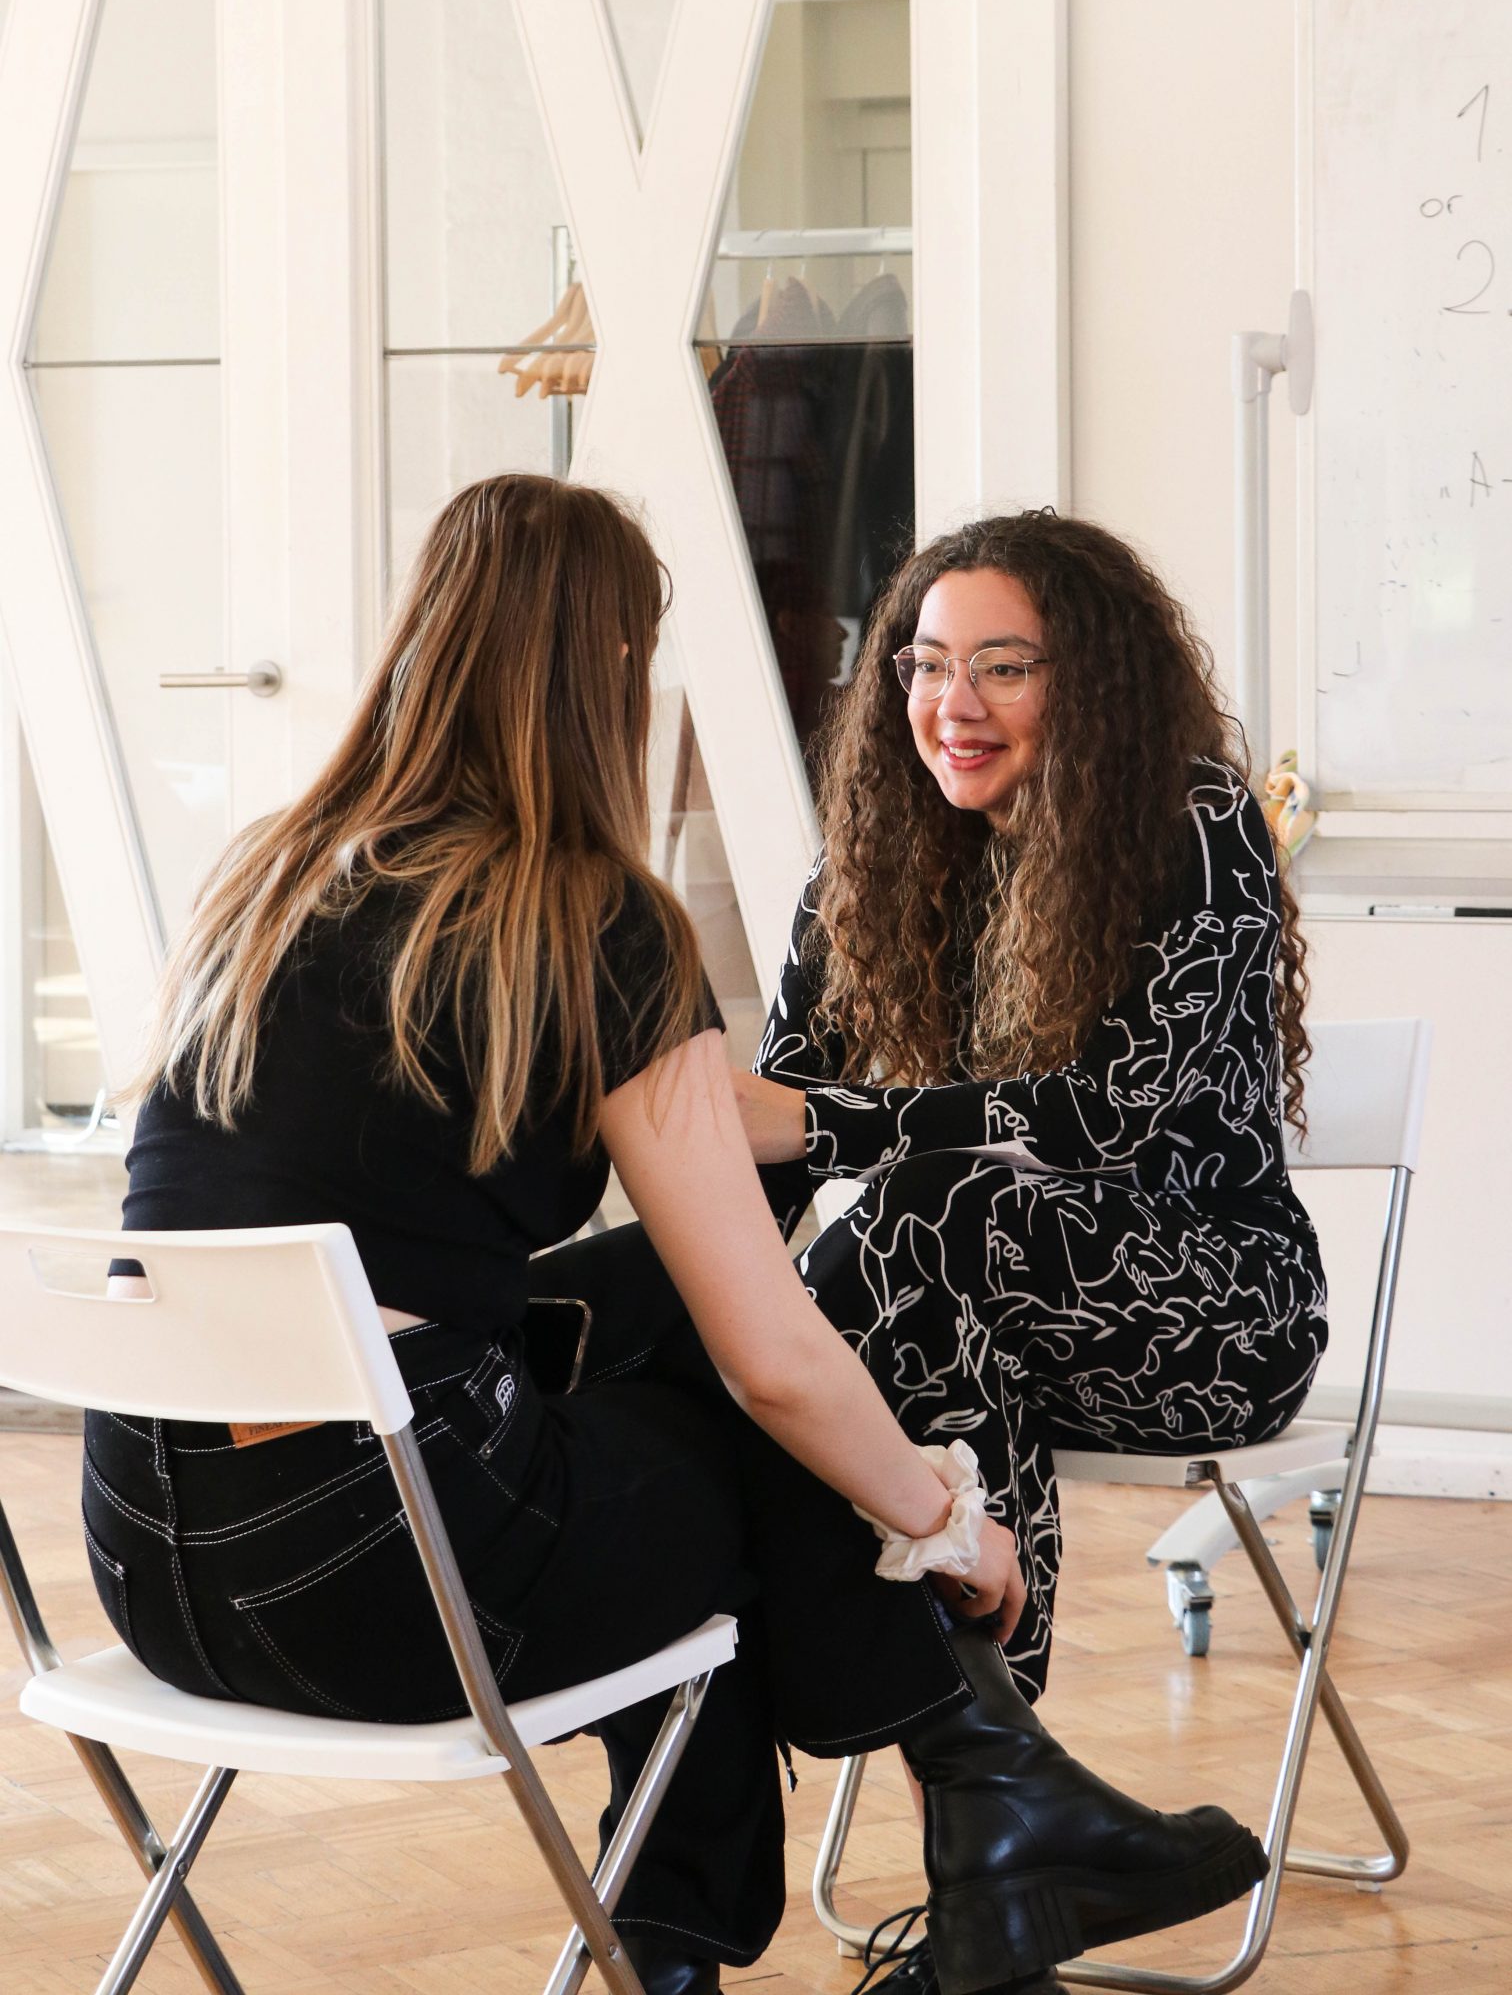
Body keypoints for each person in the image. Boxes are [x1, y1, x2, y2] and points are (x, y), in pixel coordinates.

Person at [84, 478, 1268, 1995]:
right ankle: (873, 1854)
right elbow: (771, 1361)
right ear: (610, 670)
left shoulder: (268, 877)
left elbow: (765, 1214)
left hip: (146, 1565)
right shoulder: (591, 921)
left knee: (656, 1343)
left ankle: (990, 1809)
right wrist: (943, 1525)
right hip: (387, 1581)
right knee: (729, 1461)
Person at [736, 507, 1328, 1993]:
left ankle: (1001, 1822)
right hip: (981, 1310)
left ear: (1095, 680)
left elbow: (1105, 1119)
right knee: (858, 1333)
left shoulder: (1194, 825)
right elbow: (771, 1132)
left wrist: (819, 1151)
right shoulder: (876, 858)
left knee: (928, 1234)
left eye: (1004, 666)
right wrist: (713, 1304)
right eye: (927, 664)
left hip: (1213, 1308)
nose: (954, 703)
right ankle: (1002, 1842)